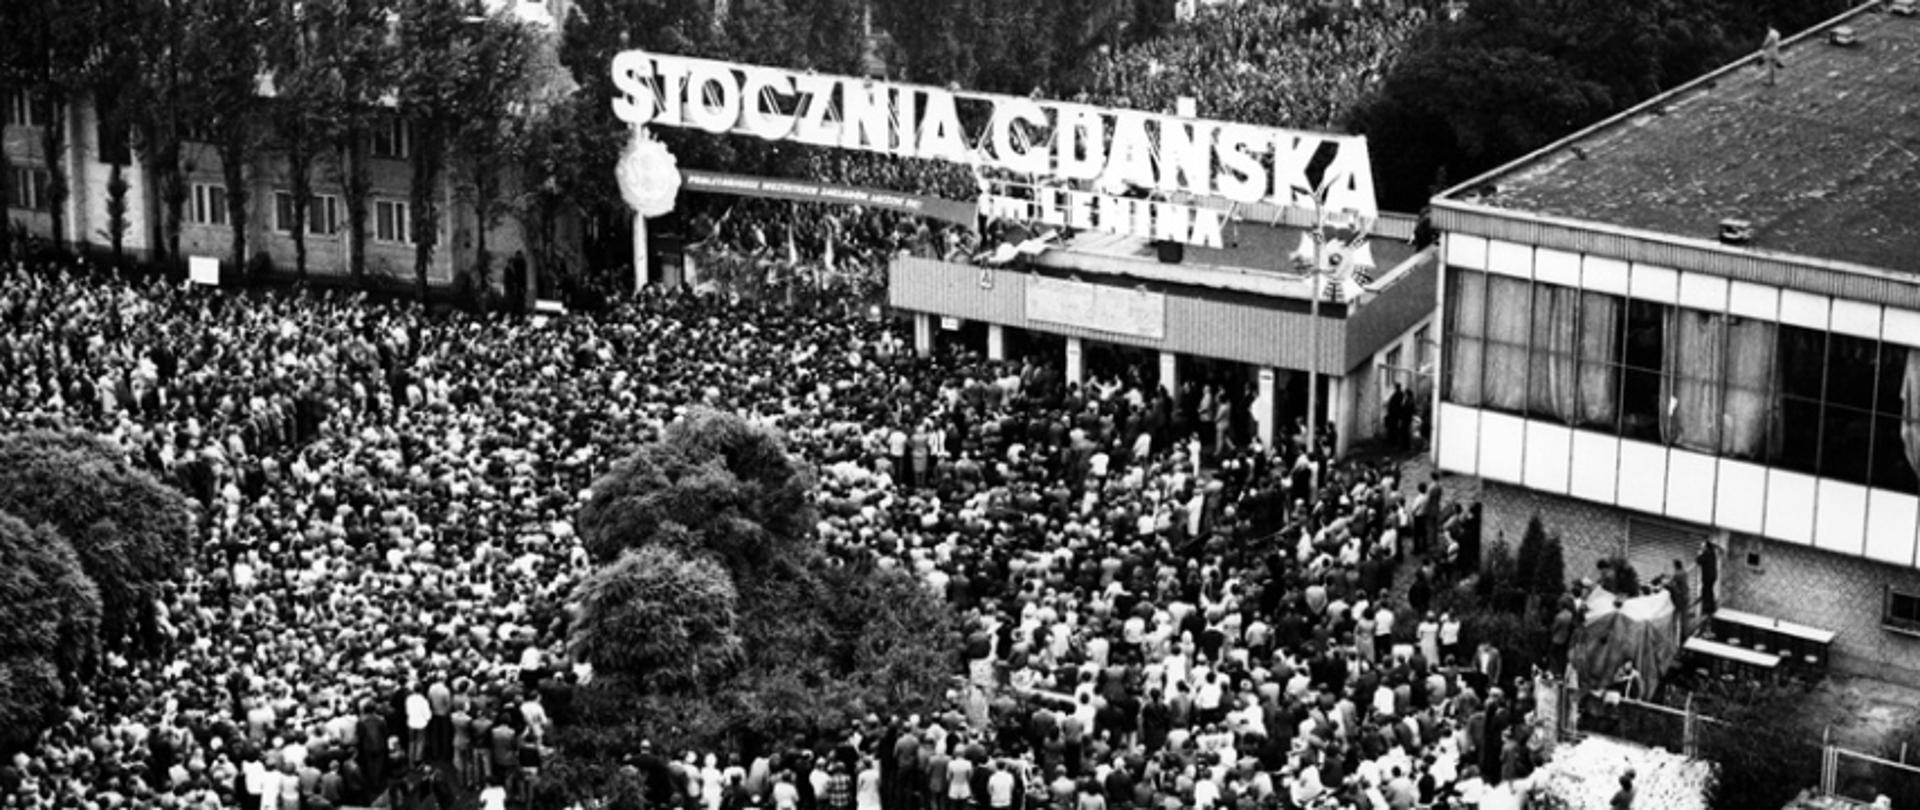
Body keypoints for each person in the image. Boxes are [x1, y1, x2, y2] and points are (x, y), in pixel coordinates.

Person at [1697, 539, 1719, 617]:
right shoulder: (1712, 553)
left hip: (1707, 576)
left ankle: (1707, 609)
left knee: (1706, 591)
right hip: (1713, 575)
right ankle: (1711, 608)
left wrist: (1699, 554)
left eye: (1702, 546)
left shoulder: (1706, 554)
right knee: (1709, 591)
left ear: (1706, 547)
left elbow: (1698, 561)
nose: (1701, 548)